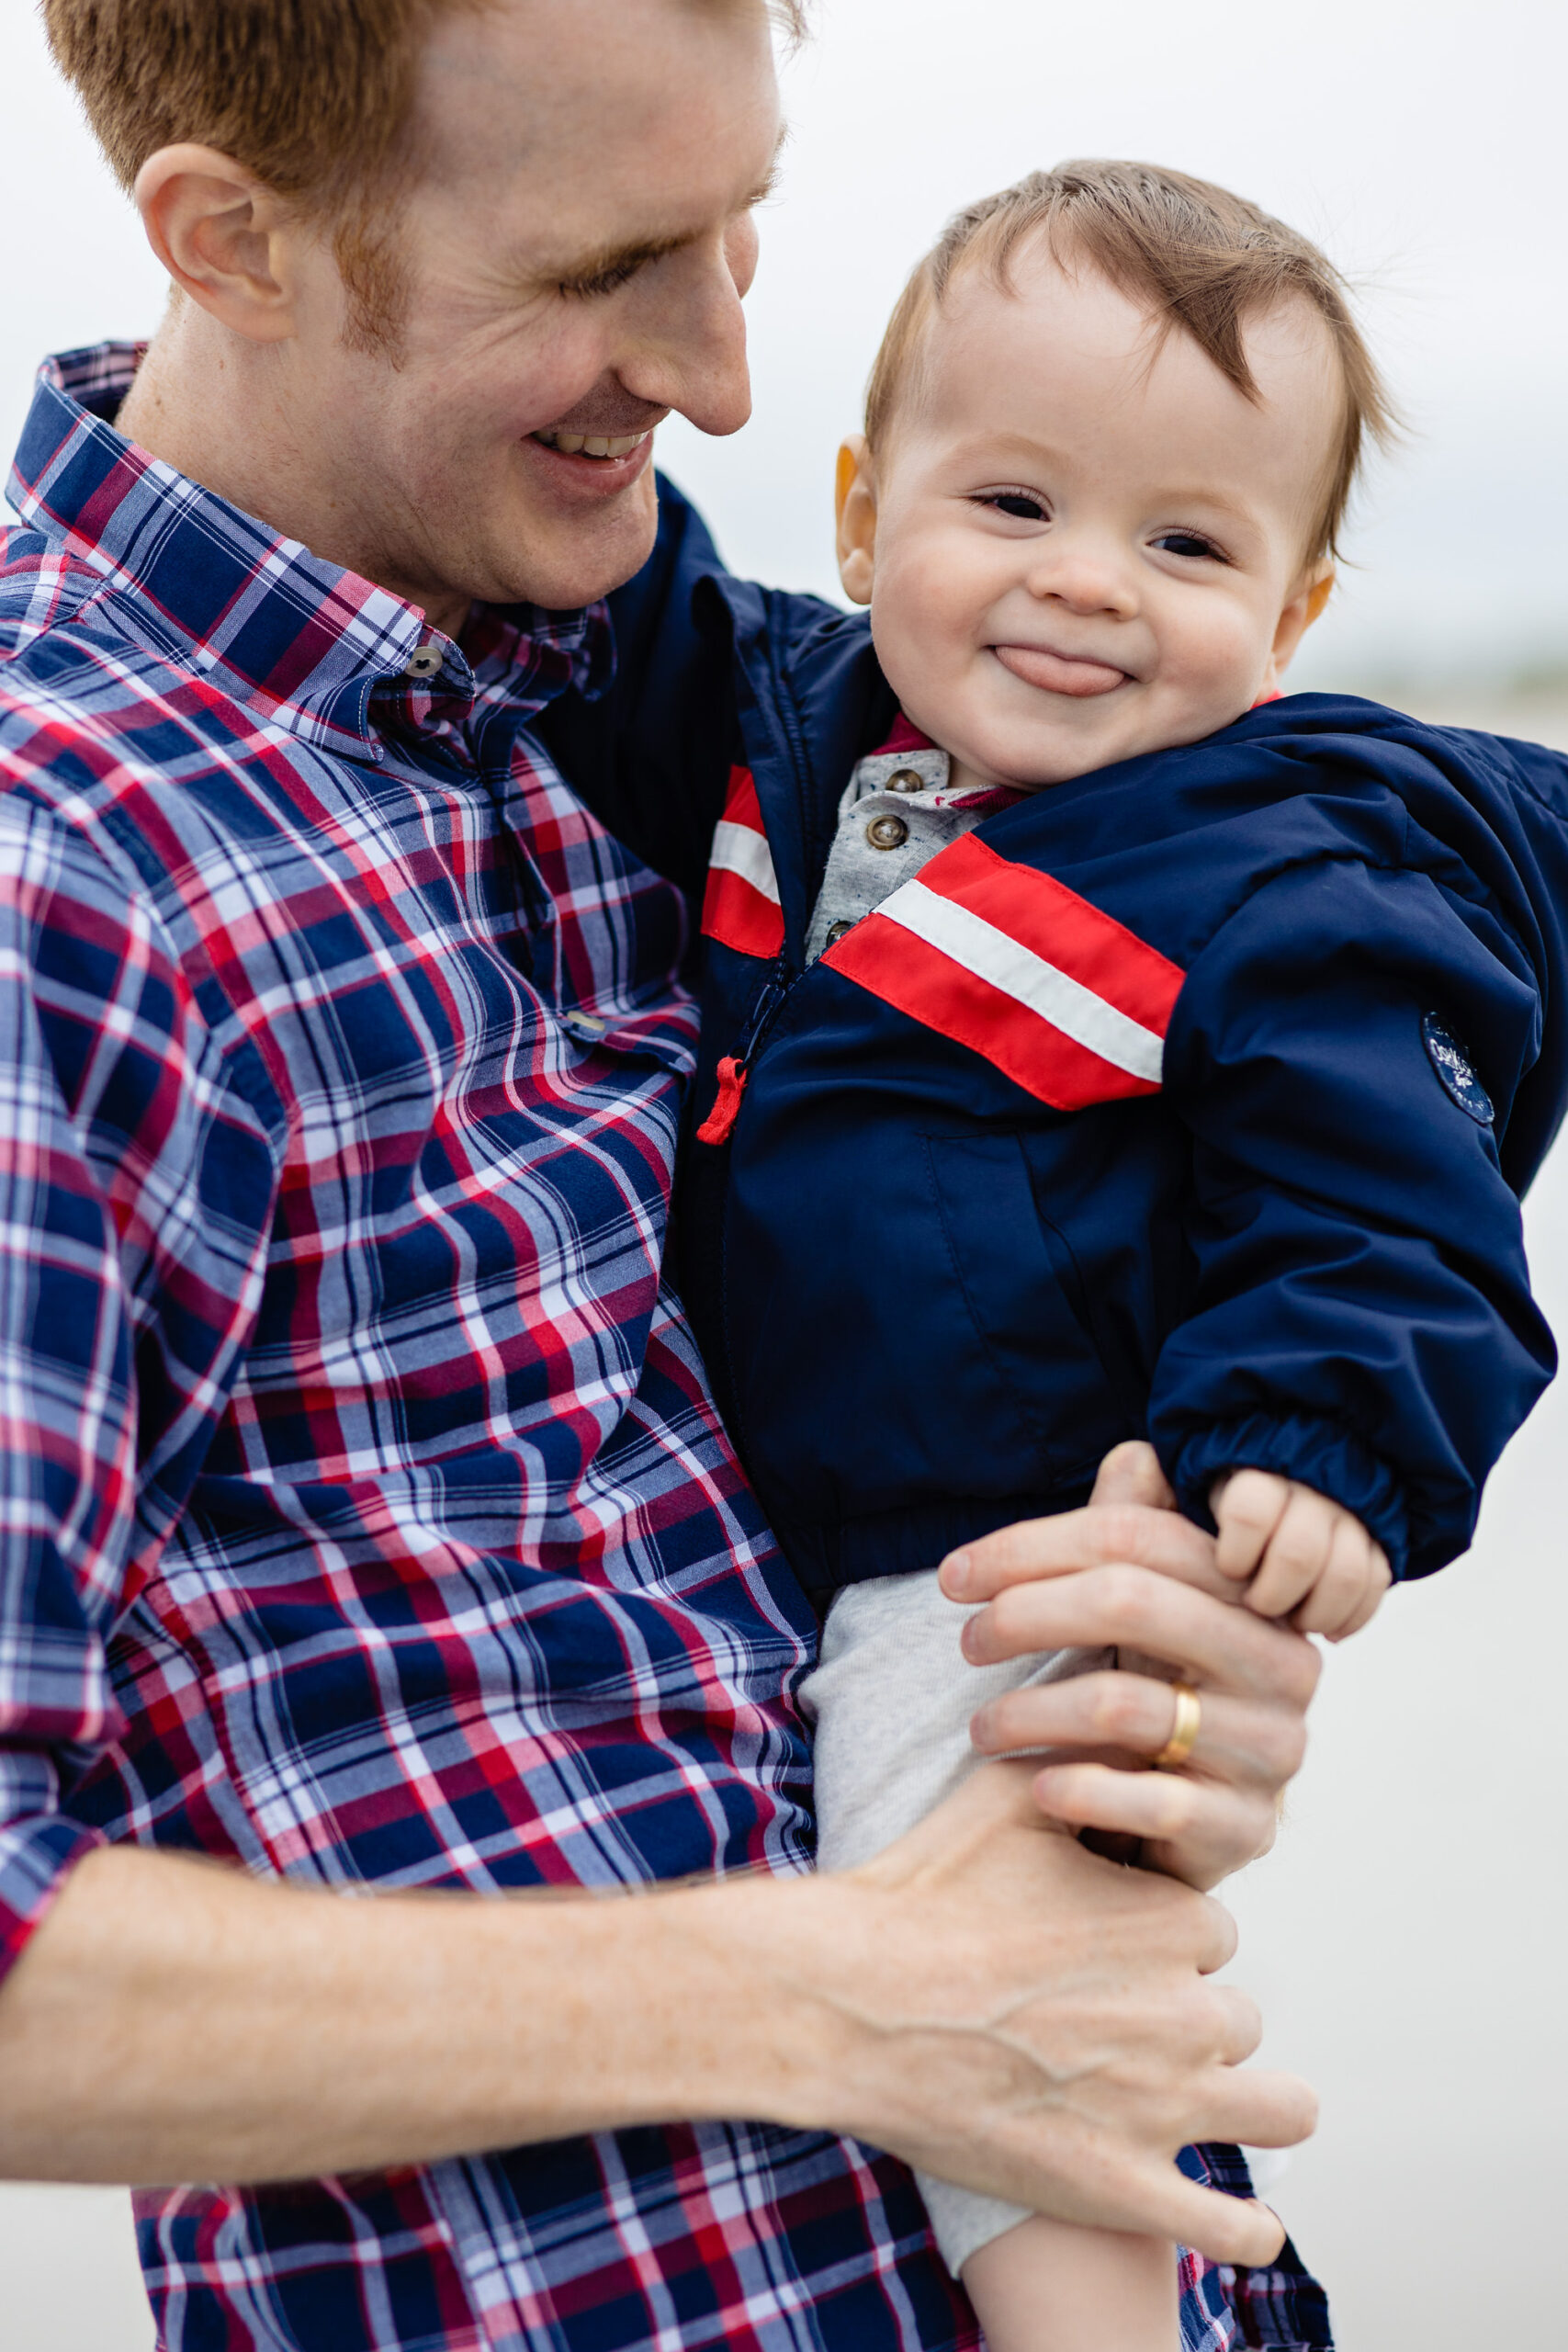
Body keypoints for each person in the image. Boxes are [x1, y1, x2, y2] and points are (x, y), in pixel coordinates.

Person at [0, 9, 1325, 2352]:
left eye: (739, 231)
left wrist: (1168, 1620)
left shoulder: (632, 682)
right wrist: (842, 1997)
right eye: (612, 263)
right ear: (231, 242)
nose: (717, 372)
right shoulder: (60, 871)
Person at [561, 164, 1568, 2351]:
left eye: (1186, 542)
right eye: (1008, 500)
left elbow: (1393, 1189)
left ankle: (1088, 2323)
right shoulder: (788, 741)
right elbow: (602, 629)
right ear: (857, 513)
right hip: (816, 1503)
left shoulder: (1265, 875)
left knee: (963, 1942)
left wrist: (1312, 1433)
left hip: (1002, 1536)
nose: (1082, 585)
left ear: (1290, 619)